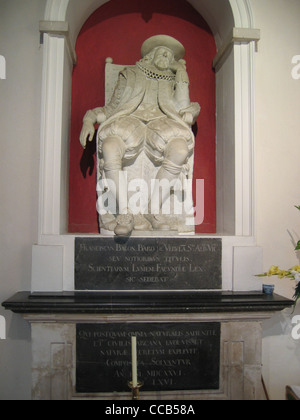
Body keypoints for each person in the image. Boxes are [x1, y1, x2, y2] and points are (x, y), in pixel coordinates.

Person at [80, 35, 200, 236]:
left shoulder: (173, 78)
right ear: (151, 55)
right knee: (109, 146)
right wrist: (89, 118)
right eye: (162, 52)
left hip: (163, 127)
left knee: (180, 149)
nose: (166, 57)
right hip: (129, 123)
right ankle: (125, 214)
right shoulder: (131, 74)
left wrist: (180, 73)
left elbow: (182, 109)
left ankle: (154, 212)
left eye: (170, 56)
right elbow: (111, 108)